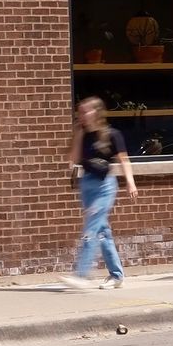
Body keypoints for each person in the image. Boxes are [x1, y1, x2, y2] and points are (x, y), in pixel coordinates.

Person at [64, 96, 137, 289]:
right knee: (103, 232)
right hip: (87, 185)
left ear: (96, 112)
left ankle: (81, 274)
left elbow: (124, 160)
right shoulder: (83, 134)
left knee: (91, 229)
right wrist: (78, 133)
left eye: (85, 111)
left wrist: (131, 183)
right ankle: (116, 275)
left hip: (105, 186)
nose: (81, 115)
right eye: (79, 112)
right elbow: (72, 160)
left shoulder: (112, 134)